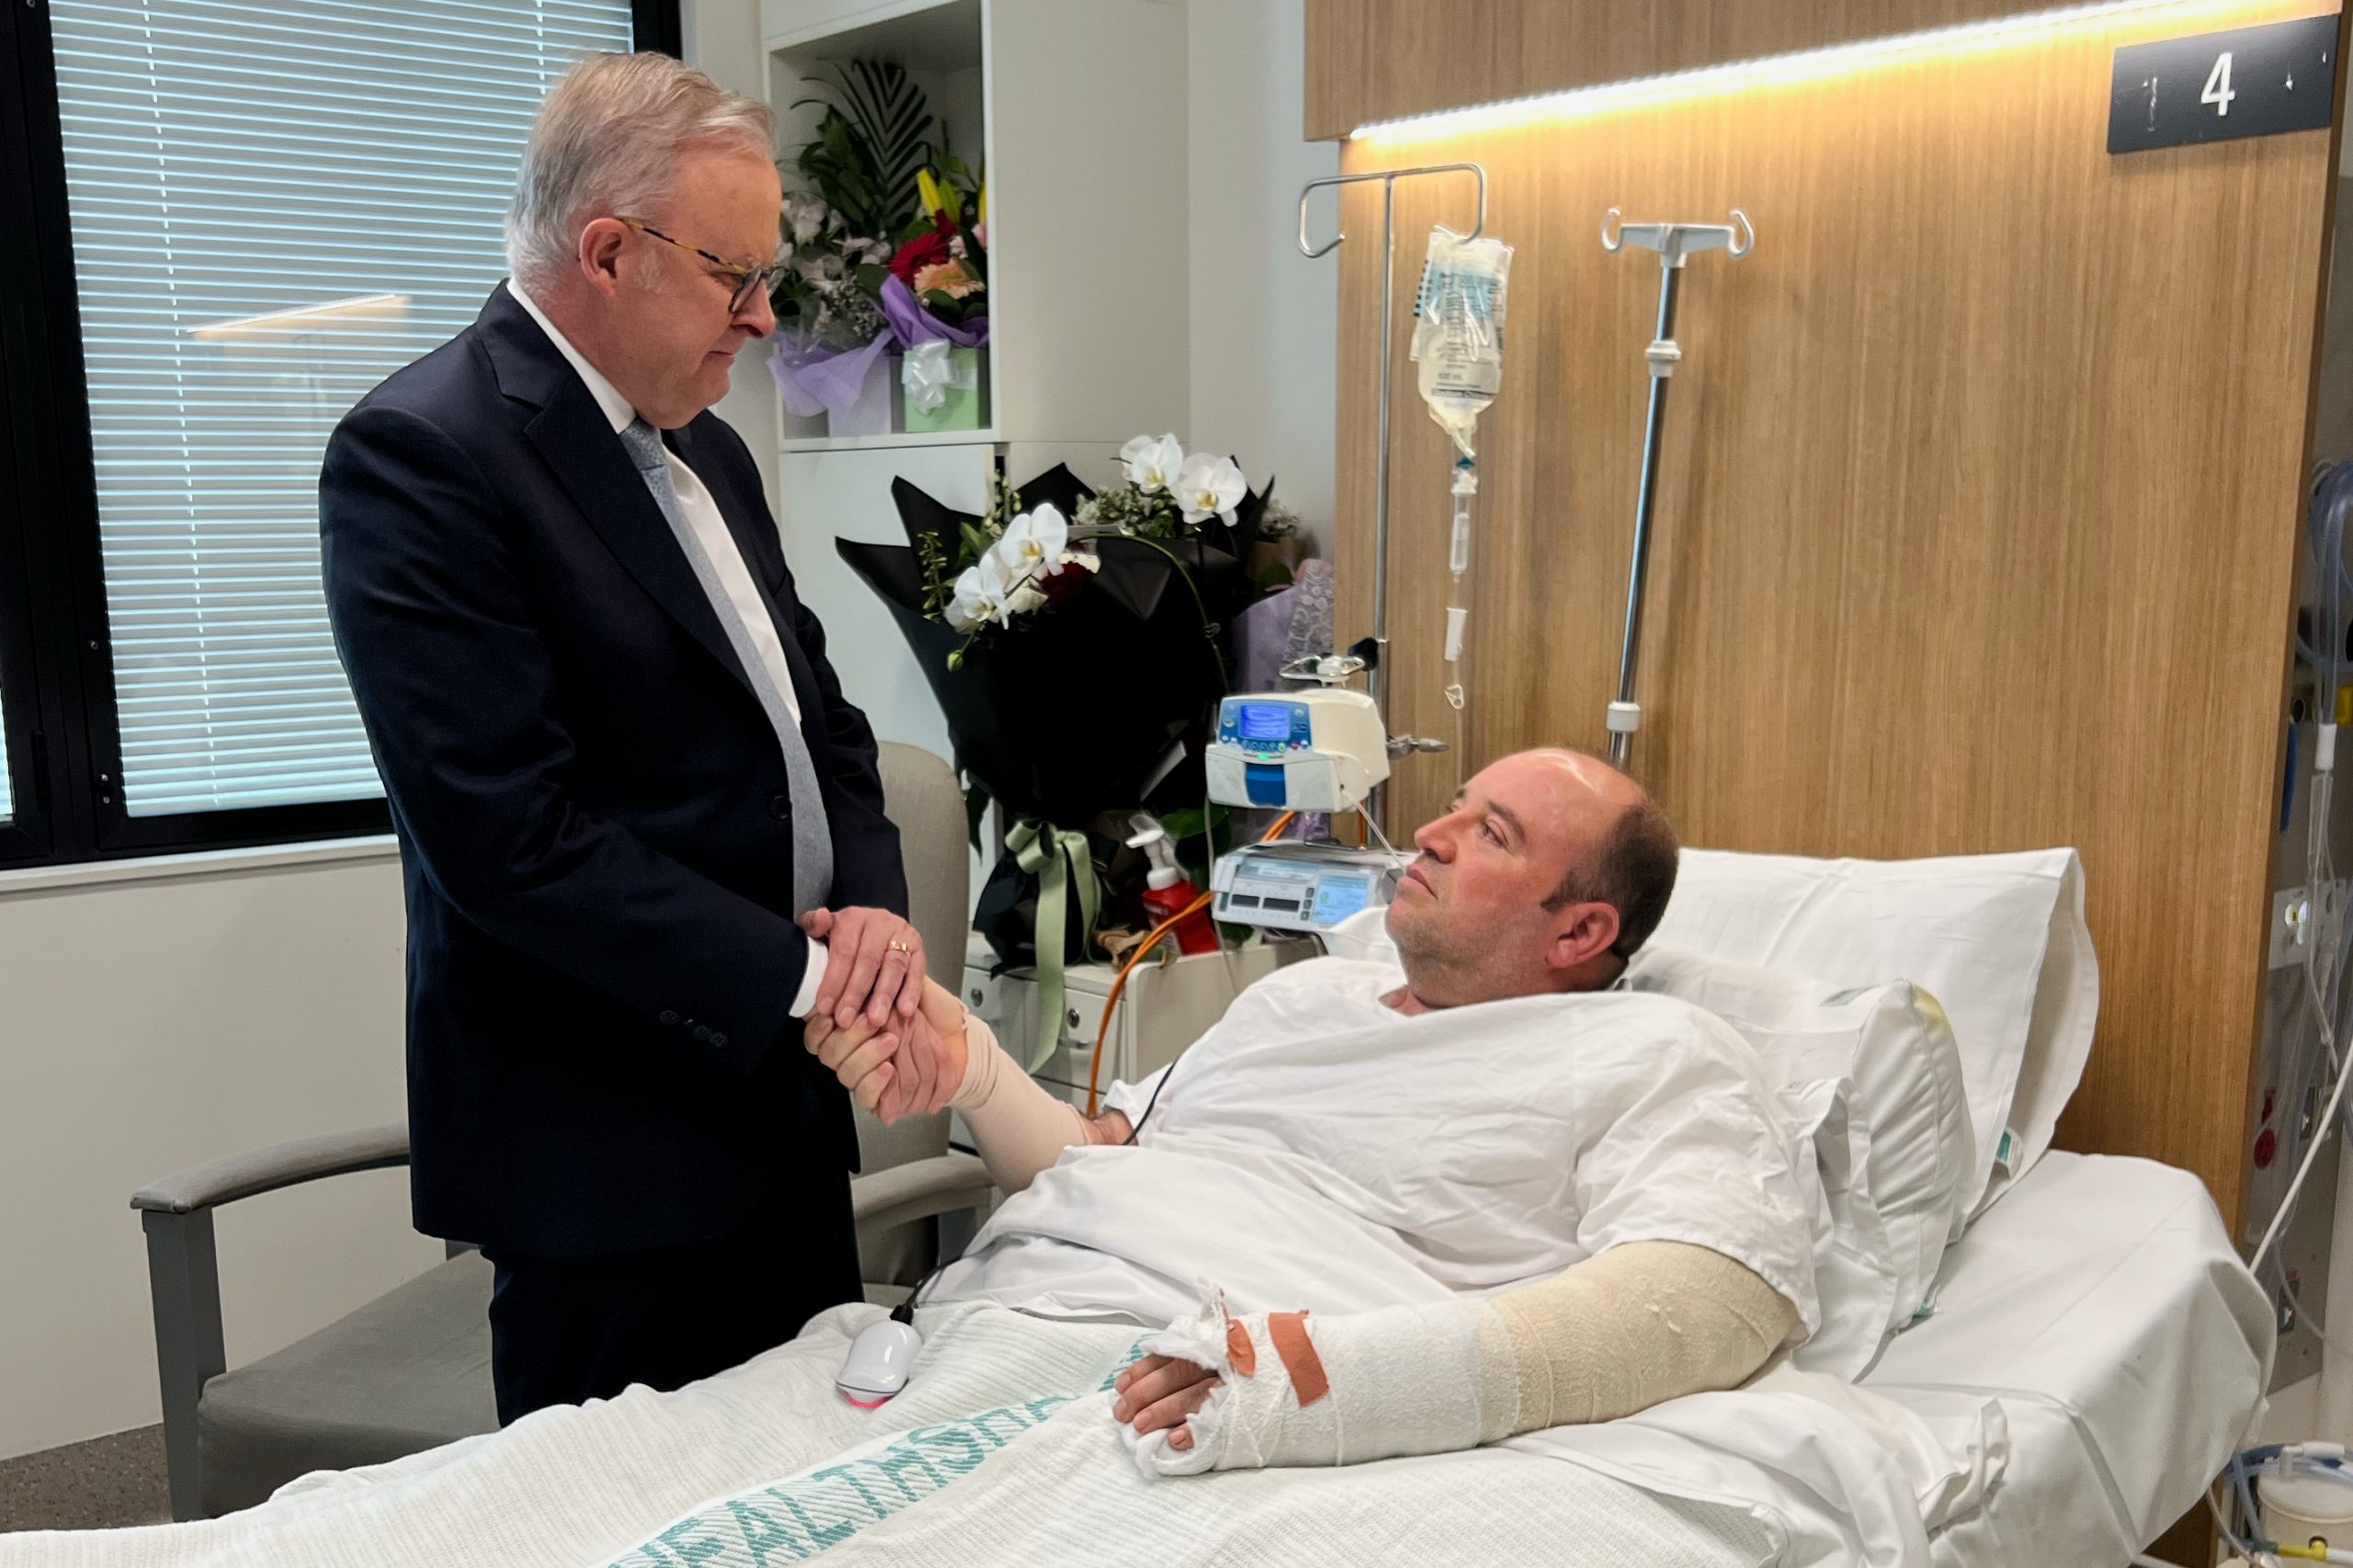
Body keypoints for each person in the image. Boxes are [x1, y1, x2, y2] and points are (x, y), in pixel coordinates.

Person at [320, 52, 955, 1425]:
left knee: (811, 1478)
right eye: (737, 276)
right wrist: (817, 981)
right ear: (609, 254)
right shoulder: (422, 455)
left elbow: (822, 729)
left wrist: (875, 918)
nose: (765, 317)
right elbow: (510, 843)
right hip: (609, 1153)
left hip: (781, 1109)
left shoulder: (705, 445)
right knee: (621, 1513)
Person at [810, 749, 1817, 1471]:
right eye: (1456, 807)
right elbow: (1099, 1155)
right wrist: (977, 1072)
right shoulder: (1304, 994)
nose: (1430, 835)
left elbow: (1705, 1301)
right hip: (986, 1325)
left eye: (1490, 834)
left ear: (1581, 932)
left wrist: (1314, 1383)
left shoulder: (1657, 1050)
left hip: (1211, 1390)